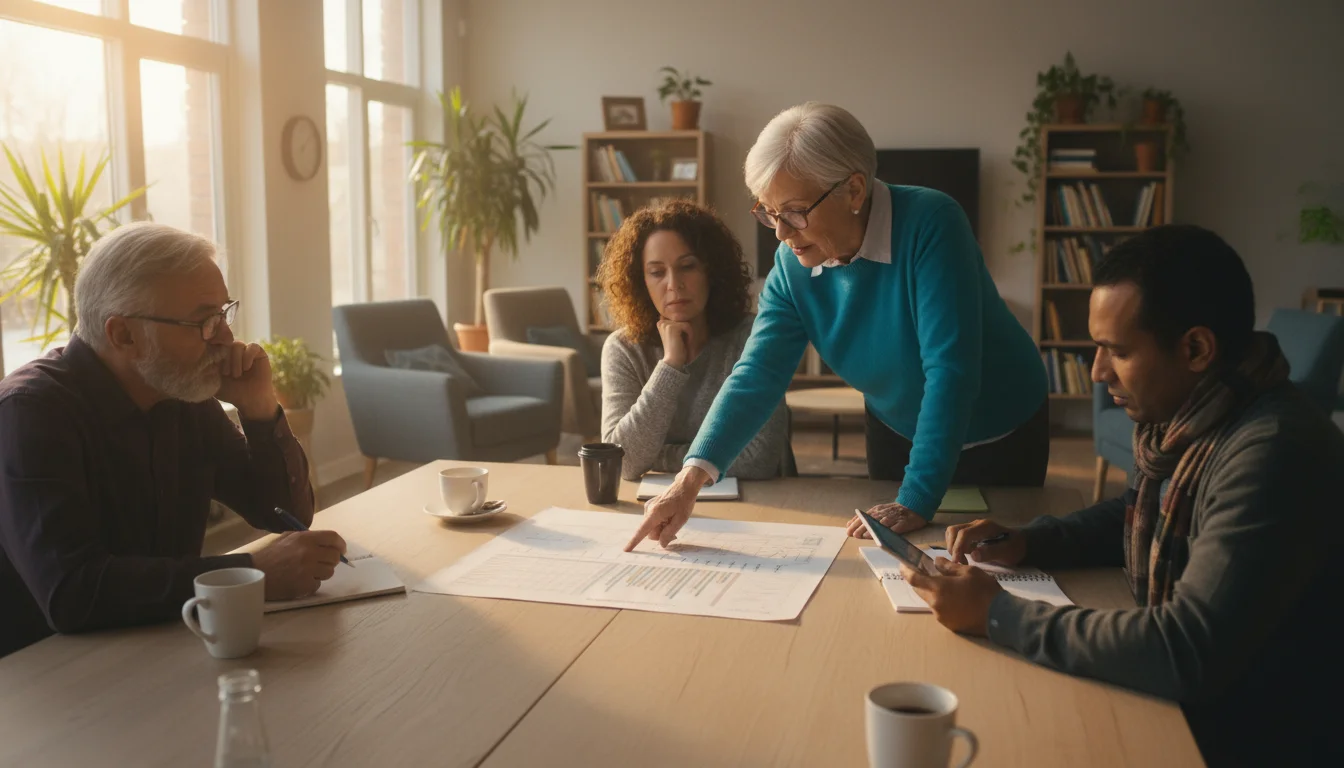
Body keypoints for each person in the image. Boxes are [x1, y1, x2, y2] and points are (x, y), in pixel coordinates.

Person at [901, 225, 1342, 767]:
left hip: (1254, 732)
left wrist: (999, 614)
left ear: (1197, 348)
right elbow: (1136, 514)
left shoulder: (1271, 451)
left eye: (1118, 351)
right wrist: (1029, 542)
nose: (1097, 371)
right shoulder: (1194, 420)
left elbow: (1185, 649)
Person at [627, 103, 1048, 551]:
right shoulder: (791, 265)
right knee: (894, 559)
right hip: (895, 426)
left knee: (992, 560)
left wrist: (918, 497)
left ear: (853, 190)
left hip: (1000, 427)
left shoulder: (932, 222)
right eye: (768, 213)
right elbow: (756, 374)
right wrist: (687, 483)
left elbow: (950, 371)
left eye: (793, 211)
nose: (781, 234)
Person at [0, 222, 345, 658]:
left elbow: (283, 514)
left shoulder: (180, 392)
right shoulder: (29, 412)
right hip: (48, 678)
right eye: (203, 321)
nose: (225, 338)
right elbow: (71, 593)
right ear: (123, 334)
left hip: (161, 646)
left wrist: (260, 409)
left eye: (224, 313)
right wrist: (251, 571)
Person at [598, 199, 788, 481]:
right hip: (657, 501)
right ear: (641, 282)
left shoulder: (752, 337)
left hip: (759, 502)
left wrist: (661, 455)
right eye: (657, 272)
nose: (674, 283)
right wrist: (670, 366)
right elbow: (622, 462)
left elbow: (759, 460)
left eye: (687, 266)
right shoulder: (623, 348)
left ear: (711, 271)